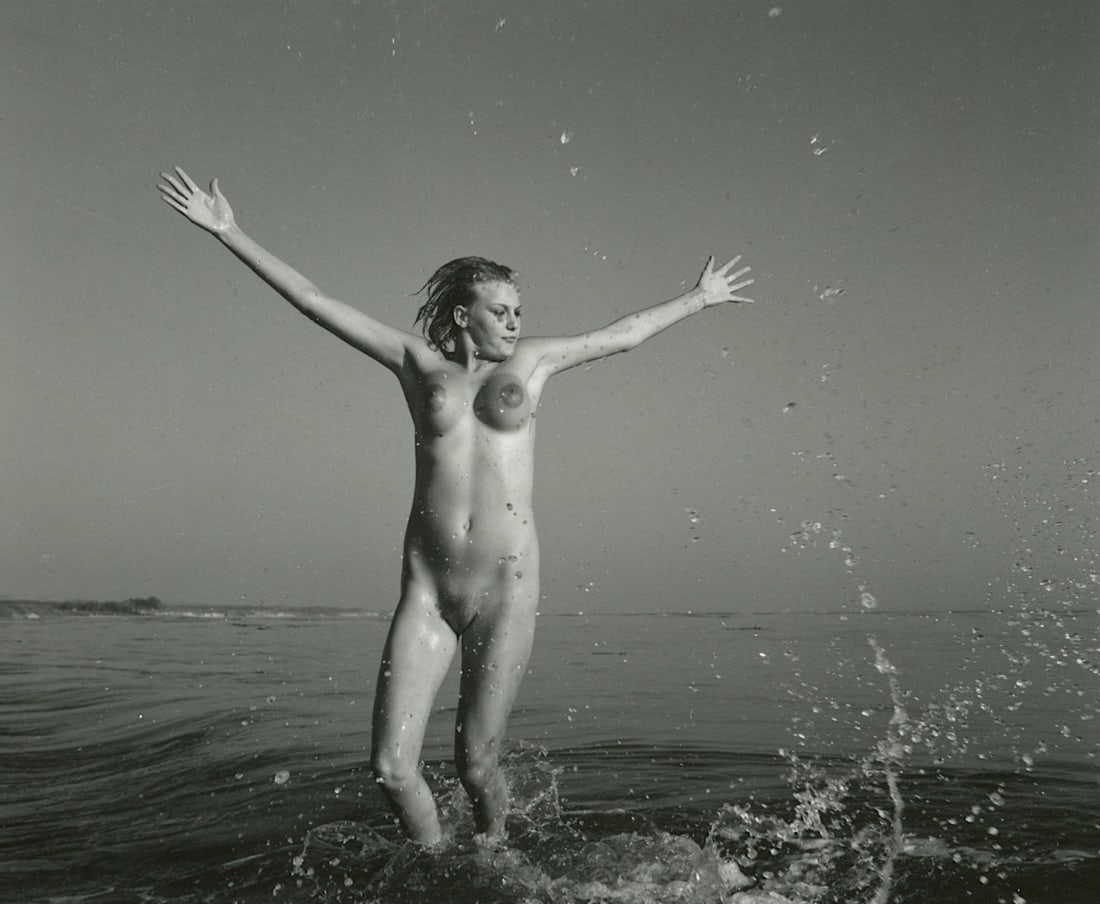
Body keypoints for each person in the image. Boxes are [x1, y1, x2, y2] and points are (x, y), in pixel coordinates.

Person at [158, 166, 753, 846]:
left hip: (507, 588)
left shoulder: (532, 364)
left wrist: (698, 299)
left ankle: (493, 850)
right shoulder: (416, 364)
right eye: (502, 311)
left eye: (519, 312)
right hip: (429, 591)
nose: (515, 323)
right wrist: (229, 230)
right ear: (463, 314)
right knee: (389, 767)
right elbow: (315, 301)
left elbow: (622, 335)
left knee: (475, 763)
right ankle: (438, 868)